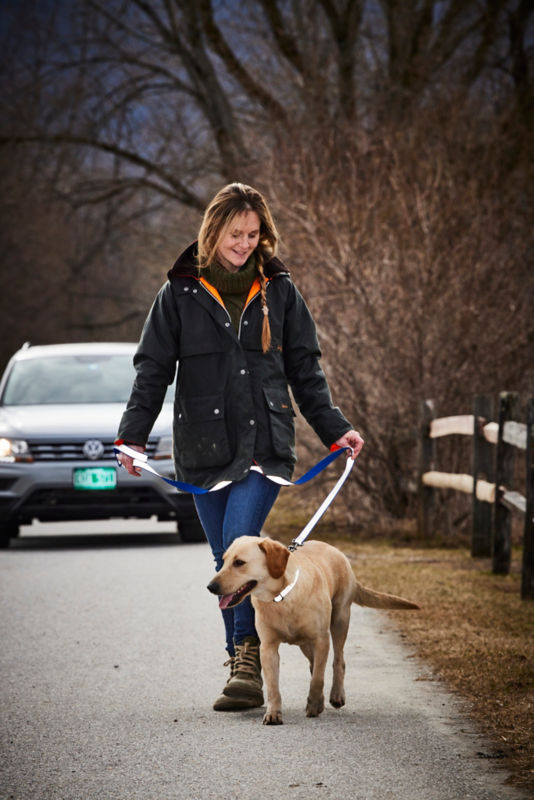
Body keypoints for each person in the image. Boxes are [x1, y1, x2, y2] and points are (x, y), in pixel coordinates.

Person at [116, 182, 364, 712]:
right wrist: (132, 438)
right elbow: (152, 370)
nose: (245, 243)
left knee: (238, 539)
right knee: (225, 557)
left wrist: (334, 428)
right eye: (235, 234)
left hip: (263, 446)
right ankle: (243, 655)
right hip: (202, 448)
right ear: (213, 231)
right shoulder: (179, 293)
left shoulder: (279, 290)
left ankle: (246, 656)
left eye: (253, 234)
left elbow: (305, 369)